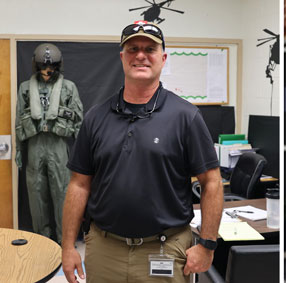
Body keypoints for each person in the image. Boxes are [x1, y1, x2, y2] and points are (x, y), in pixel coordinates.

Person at [60, 21, 223, 283]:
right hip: (105, 250)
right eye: (133, 48)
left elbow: (212, 182)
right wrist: (68, 247)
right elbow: (79, 185)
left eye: (150, 49)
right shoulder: (95, 117)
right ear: (122, 57)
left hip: (166, 248)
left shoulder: (186, 117)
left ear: (163, 58)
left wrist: (207, 244)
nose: (140, 55)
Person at [15, 43, 84, 243]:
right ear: (35, 66)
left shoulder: (68, 87)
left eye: (52, 66)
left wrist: (82, 153)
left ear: (58, 65)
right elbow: (20, 119)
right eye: (43, 66)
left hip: (58, 145)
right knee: (36, 195)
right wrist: (19, 149)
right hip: (35, 145)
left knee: (62, 192)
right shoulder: (26, 88)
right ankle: (42, 242)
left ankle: (66, 243)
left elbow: (78, 120)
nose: (47, 70)